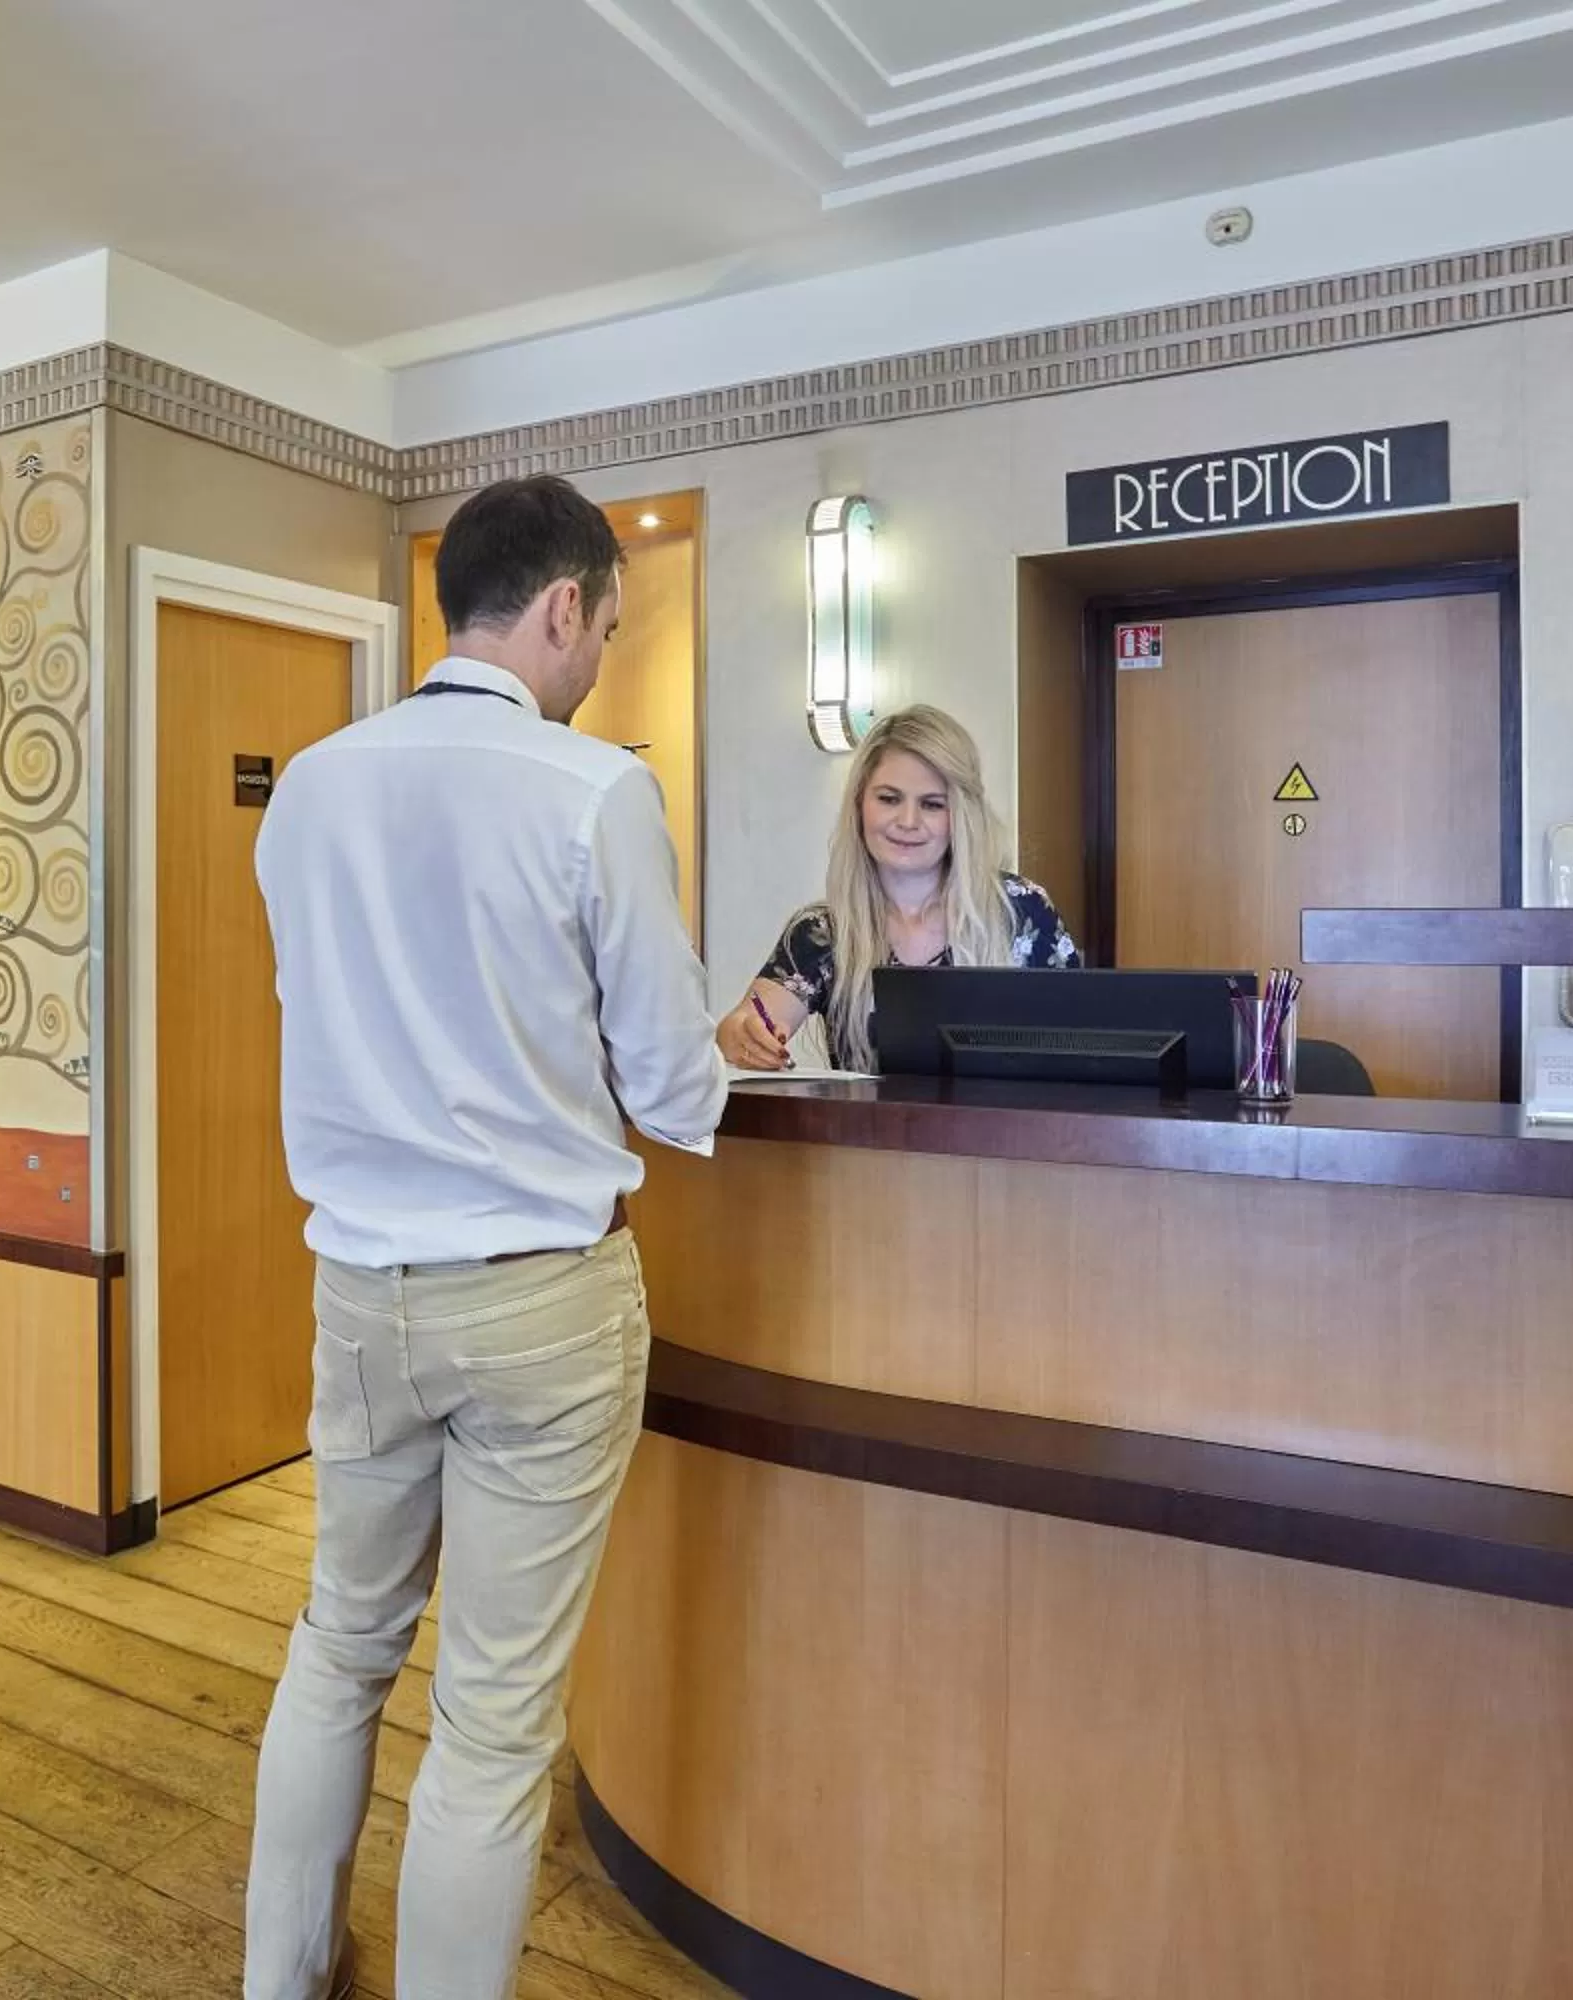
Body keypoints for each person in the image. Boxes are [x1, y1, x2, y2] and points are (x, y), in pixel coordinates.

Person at [244, 475, 725, 2000]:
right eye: (604, 632)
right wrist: (727, 1048)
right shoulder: (589, 790)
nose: (596, 669)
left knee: (338, 1648)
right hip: (537, 1302)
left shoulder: (315, 783)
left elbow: (331, 1013)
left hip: (359, 1289)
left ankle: (286, 1977)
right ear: (565, 607)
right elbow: (668, 1082)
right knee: (495, 1720)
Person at [716, 704, 1080, 1073]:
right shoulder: (822, 931)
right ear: (859, 803)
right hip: (867, 1132)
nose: (908, 821)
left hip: (1004, 1131)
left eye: (932, 805)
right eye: (889, 799)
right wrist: (743, 1036)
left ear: (962, 817)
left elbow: (1081, 1041)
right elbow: (741, 1026)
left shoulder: (1020, 910)